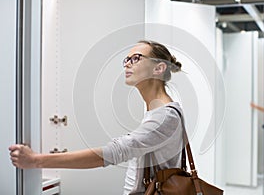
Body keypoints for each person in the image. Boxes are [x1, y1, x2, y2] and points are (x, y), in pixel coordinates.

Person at [9, 40, 184, 194]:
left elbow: (112, 153)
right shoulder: (156, 111)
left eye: (136, 58)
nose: (127, 64)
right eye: (126, 60)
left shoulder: (164, 117)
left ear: (159, 68)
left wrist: (36, 160)